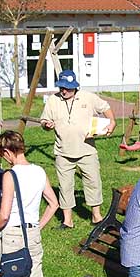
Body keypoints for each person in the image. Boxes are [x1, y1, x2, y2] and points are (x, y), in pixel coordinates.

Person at [0, 131, 59, 277]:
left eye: (2, 154)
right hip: (32, 233)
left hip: (11, 235)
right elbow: (54, 204)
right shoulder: (39, 171)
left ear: (7, 152)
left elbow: (4, 214)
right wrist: (37, 226)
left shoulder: (10, 175)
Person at [39, 69, 116, 229]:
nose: (64, 91)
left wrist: (112, 122)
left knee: (93, 182)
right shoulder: (53, 100)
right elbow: (44, 121)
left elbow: (105, 107)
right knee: (65, 186)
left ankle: (96, 216)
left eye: (68, 88)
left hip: (87, 150)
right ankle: (67, 220)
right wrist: (47, 125)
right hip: (63, 151)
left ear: (75, 86)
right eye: (61, 87)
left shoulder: (88, 97)